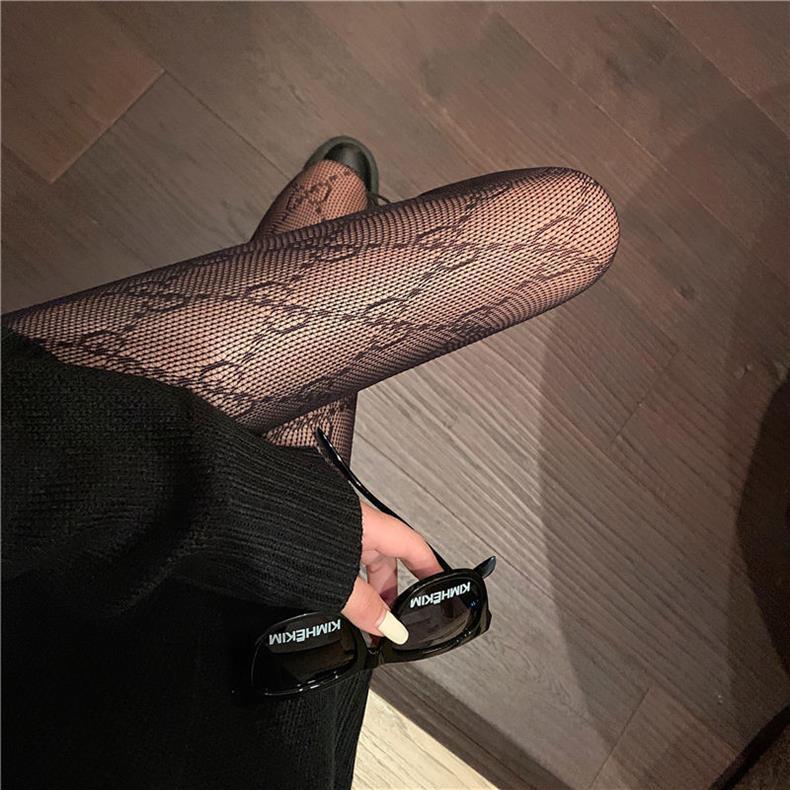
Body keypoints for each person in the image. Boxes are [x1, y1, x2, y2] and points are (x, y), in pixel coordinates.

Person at [1, 137, 620, 789]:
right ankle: (331, 228)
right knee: (560, 226)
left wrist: (284, 521)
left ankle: (329, 230)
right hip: (255, 704)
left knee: (563, 226)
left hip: (53, 573)